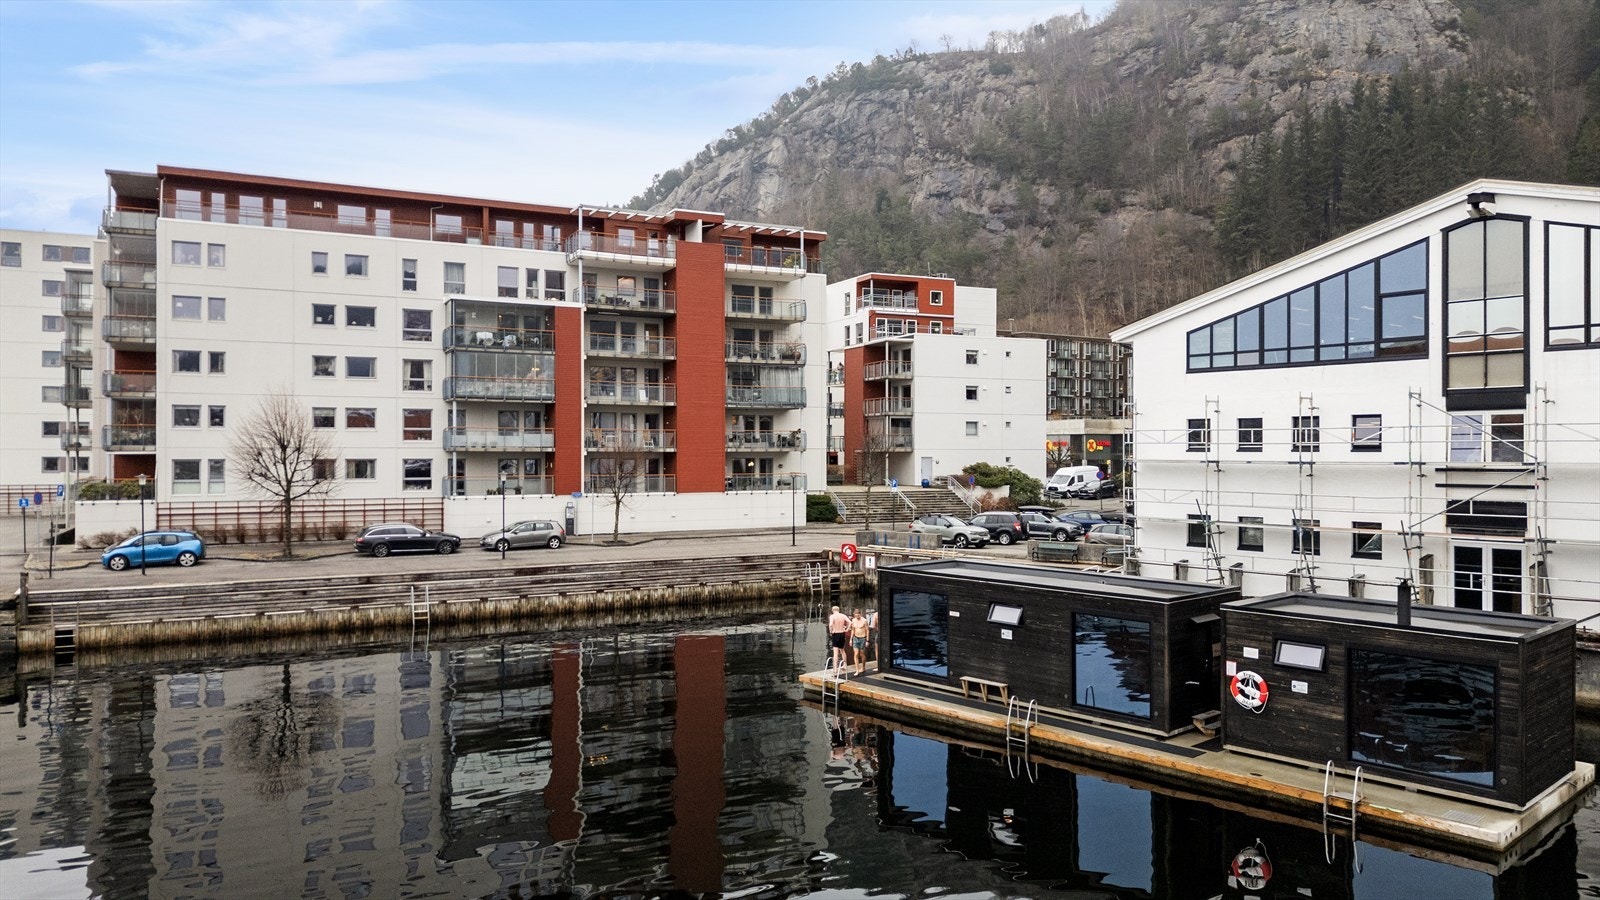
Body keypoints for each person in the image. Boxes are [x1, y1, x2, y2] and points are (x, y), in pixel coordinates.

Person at [827, 605, 850, 670]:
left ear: (832, 610)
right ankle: (845, 665)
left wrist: (831, 631)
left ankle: (835, 668)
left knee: (835, 652)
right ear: (839, 610)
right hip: (842, 633)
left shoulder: (832, 616)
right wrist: (847, 629)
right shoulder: (843, 615)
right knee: (842, 650)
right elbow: (850, 622)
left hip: (836, 633)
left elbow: (831, 624)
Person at [850, 608, 871, 675]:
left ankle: (863, 667)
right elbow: (853, 630)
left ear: (860, 614)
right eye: (856, 615)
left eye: (858, 615)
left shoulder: (864, 621)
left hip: (863, 638)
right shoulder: (853, 620)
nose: (857, 616)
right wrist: (851, 639)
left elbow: (867, 630)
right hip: (856, 638)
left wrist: (867, 640)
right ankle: (857, 670)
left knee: (862, 654)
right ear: (854, 615)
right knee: (856, 653)